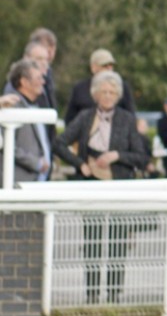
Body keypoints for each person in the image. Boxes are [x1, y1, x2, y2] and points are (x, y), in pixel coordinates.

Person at [52, 70, 148, 303]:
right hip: (91, 183)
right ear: (95, 95)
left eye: (112, 92)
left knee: (117, 240)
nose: (107, 96)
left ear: (118, 95)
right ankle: (92, 293)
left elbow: (141, 157)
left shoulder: (126, 119)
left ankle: (114, 293)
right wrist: (80, 164)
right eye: (103, 92)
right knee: (92, 240)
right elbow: (60, 143)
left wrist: (116, 156)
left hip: (119, 183)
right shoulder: (85, 117)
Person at [6, 59, 53, 183]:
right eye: (38, 78)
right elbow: (6, 144)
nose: (43, 82)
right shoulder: (11, 107)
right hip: (19, 182)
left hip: (39, 181)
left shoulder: (37, 106)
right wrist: (36, 163)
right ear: (24, 82)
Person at [64, 49, 136, 129]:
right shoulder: (80, 88)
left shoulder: (122, 87)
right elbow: (70, 119)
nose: (109, 69)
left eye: (111, 66)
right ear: (93, 67)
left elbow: (131, 117)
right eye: (105, 66)